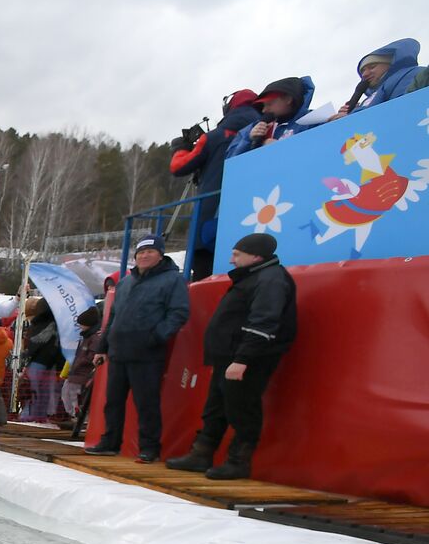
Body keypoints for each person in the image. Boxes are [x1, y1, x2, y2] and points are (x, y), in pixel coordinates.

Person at [166, 232, 297, 480]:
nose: (231, 260)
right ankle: (201, 453)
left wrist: (242, 359)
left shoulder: (271, 280)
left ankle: (238, 461)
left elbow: (263, 322)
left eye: (237, 254)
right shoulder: (251, 277)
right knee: (215, 407)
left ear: (256, 256)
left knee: (242, 408)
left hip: (248, 358)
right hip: (228, 356)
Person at [87, 234, 190, 461]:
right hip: (119, 351)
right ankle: (110, 442)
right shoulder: (125, 282)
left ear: (160, 255)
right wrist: (102, 348)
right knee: (113, 401)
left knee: (146, 403)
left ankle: (149, 447)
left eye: (150, 252)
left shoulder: (173, 280)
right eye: (141, 252)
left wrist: (156, 336)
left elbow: (179, 313)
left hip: (147, 353)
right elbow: (113, 317)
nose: (144, 256)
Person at [169, 90, 261, 280]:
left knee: (204, 276)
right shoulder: (266, 130)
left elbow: (179, 167)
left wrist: (181, 149)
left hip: (210, 215)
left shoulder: (215, 136)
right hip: (256, 214)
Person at [226, 77, 320, 159]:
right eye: (263, 105)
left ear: (288, 99)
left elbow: (321, 151)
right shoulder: (252, 129)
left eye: (269, 104)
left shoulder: (314, 119)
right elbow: (230, 163)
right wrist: (249, 139)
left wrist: (281, 148)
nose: (264, 110)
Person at [331, 39, 424, 119]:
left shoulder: (410, 74)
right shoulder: (371, 97)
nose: (365, 74)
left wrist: (354, 116)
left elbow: (402, 108)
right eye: (363, 71)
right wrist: (349, 115)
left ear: (390, 64)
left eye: (372, 67)